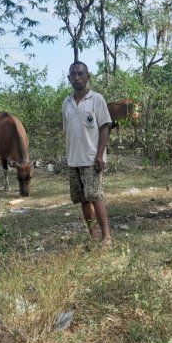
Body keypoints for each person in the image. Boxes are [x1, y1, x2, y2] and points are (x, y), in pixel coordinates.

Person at [62, 61, 113, 246]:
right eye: (73, 74)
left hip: (92, 158)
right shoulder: (66, 103)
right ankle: (92, 234)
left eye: (81, 73)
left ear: (87, 77)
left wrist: (100, 155)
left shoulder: (96, 99)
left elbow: (105, 128)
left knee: (96, 196)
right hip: (73, 159)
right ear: (69, 78)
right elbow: (68, 131)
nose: (77, 77)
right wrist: (68, 157)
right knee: (83, 199)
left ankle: (106, 236)